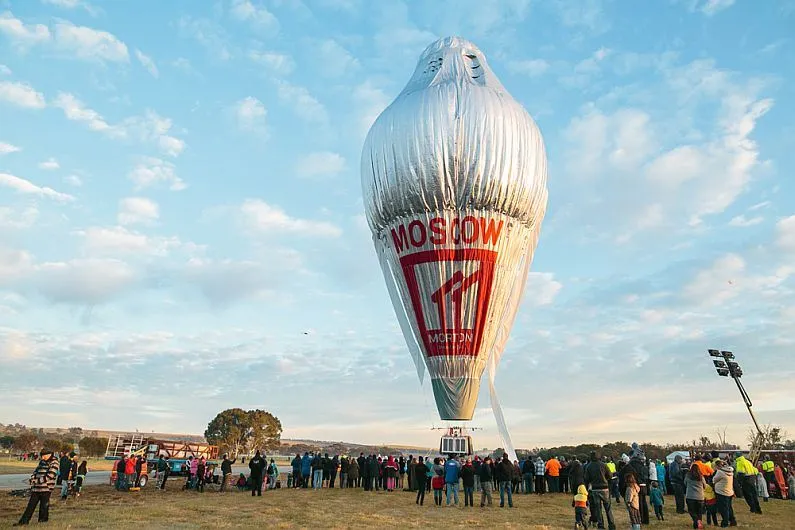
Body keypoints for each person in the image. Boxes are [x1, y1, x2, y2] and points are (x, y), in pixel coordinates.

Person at [15, 448, 59, 526]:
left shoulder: (54, 462)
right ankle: (23, 522)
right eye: (41, 456)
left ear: (49, 454)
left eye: (43, 456)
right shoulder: (42, 461)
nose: (42, 458)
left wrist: (36, 481)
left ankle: (43, 522)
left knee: (44, 507)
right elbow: (35, 471)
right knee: (30, 506)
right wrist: (32, 478)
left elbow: (50, 476)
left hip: (46, 488)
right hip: (36, 488)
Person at [584, 451, 616, 530]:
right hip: (604, 488)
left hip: (595, 489)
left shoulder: (589, 466)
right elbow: (610, 475)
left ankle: (601, 526)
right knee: (608, 508)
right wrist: (606, 479)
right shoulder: (604, 465)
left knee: (598, 509)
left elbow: (586, 479)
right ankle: (611, 525)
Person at [712, 459, 736, 527]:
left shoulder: (720, 472)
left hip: (721, 492)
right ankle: (732, 521)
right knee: (729, 507)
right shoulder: (730, 471)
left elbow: (714, 480)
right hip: (729, 491)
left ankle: (725, 523)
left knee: (723, 509)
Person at [685, 464, 707, 529]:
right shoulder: (701, 477)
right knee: (699, 512)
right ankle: (698, 524)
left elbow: (685, 483)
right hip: (700, 497)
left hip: (690, 496)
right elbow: (705, 486)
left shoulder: (688, 476)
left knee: (692, 511)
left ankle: (696, 521)